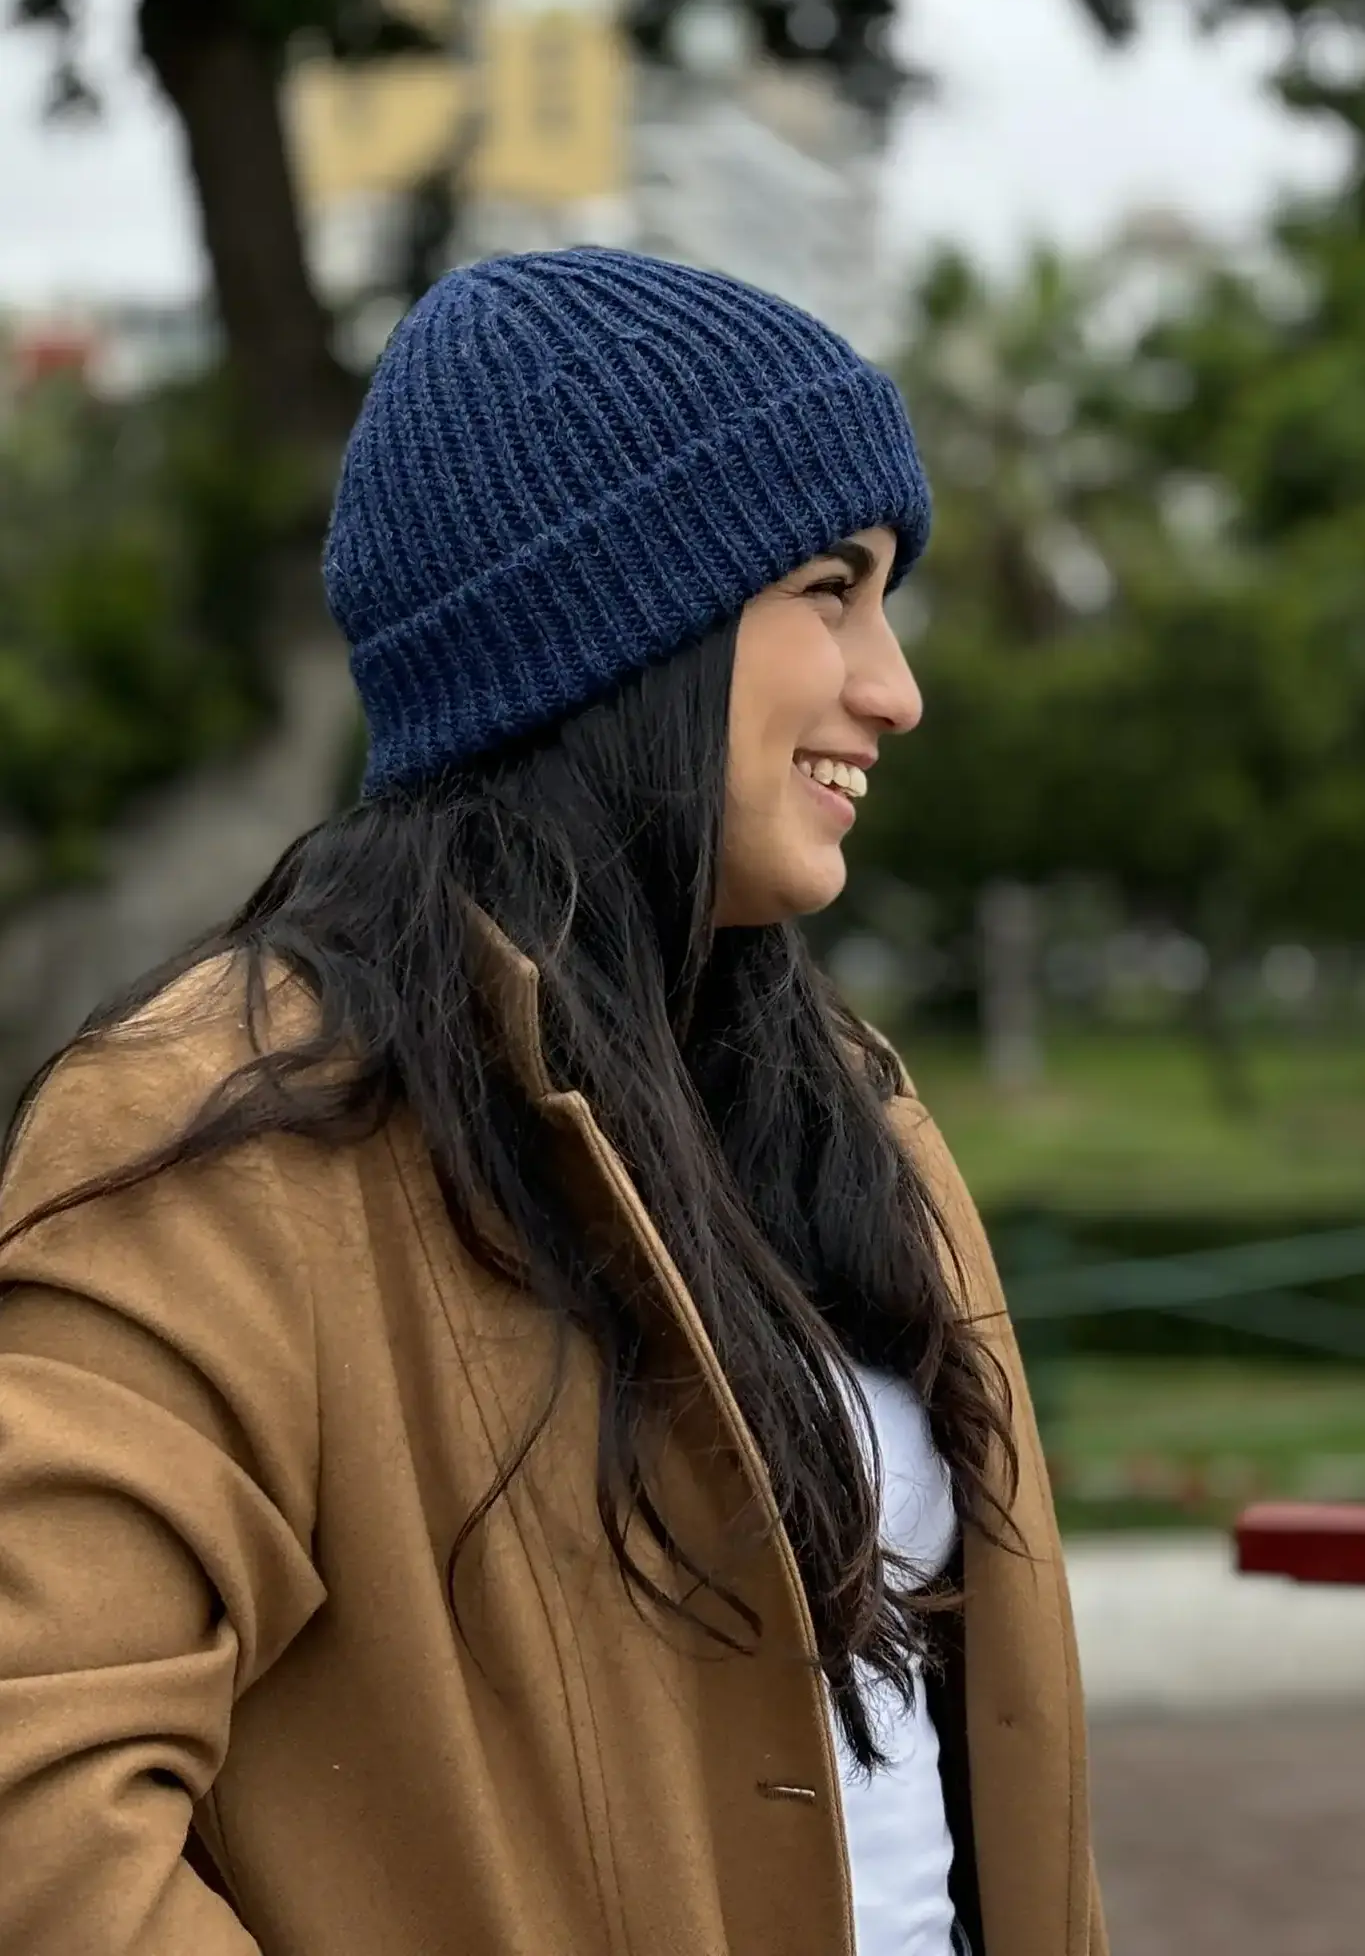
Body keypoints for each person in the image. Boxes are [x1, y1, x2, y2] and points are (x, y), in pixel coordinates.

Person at [0, 249, 1106, 1956]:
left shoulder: (851, 1112)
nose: (894, 685)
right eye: (833, 587)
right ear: (617, 631)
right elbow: (39, 1812)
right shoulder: (217, 1132)